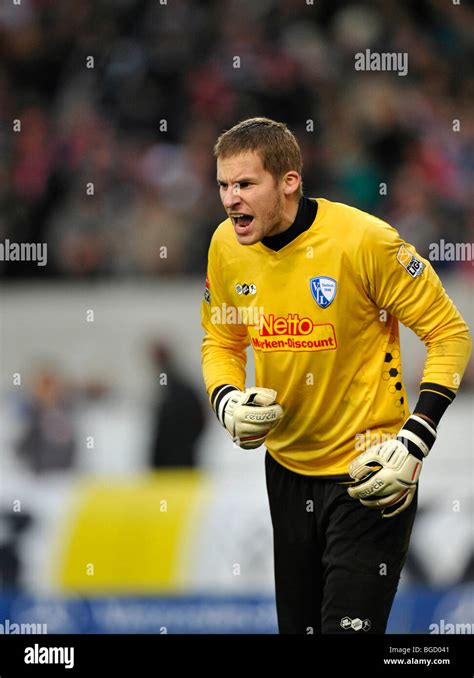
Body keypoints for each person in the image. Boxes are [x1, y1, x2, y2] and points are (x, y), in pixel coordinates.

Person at [200, 117, 471, 634]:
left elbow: (450, 333)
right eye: (223, 185)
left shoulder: (364, 241)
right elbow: (221, 339)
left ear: (289, 182)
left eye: (245, 184)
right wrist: (227, 398)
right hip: (286, 469)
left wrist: (416, 440)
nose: (230, 199)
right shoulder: (226, 248)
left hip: (371, 469)